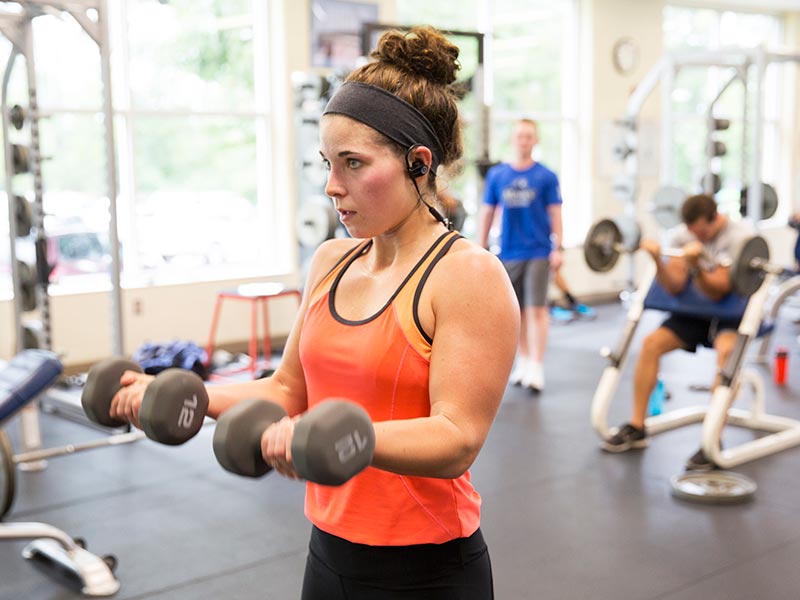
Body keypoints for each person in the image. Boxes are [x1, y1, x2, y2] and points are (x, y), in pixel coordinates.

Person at [110, 26, 519, 600]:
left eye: (353, 163)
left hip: (427, 570)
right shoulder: (330, 260)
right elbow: (286, 391)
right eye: (327, 162)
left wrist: (333, 437)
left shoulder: (467, 276)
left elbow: (457, 439)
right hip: (326, 557)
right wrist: (179, 396)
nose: (332, 186)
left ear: (419, 164)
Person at [602, 194, 753, 471]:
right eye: (692, 231)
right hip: (695, 312)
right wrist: (658, 261)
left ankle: (713, 441)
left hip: (731, 313)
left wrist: (696, 264)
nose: (696, 236)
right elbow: (673, 286)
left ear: (715, 218)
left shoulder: (740, 237)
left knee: (727, 352)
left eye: (702, 231)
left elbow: (720, 289)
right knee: (651, 344)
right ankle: (637, 426)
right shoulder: (683, 236)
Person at [477, 118, 563, 392]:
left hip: (538, 250)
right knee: (518, 312)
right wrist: (480, 247)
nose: (524, 141)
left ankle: (537, 365)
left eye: (529, 136)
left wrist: (558, 247)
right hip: (509, 251)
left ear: (535, 140)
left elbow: (556, 213)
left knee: (536, 309)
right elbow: (488, 212)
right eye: (519, 136)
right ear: (512, 139)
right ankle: (524, 360)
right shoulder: (497, 176)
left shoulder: (547, 177)